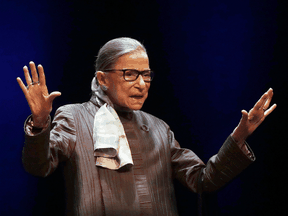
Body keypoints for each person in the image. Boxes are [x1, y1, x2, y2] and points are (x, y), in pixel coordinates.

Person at [17, 37, 276, 216]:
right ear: (102, 79)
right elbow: (39, 166)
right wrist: (40, 123)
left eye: (147, 75)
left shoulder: (159, 129)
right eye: (130, 74)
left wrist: (239, 136)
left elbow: (202, 180)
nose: (142, 84)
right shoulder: (74, 117)